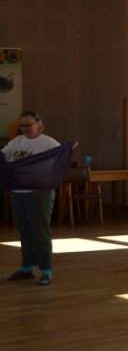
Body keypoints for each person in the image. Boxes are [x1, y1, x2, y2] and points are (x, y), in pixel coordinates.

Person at [3, 111, 60, 286]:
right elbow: (3, 157)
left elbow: (59, 161)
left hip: (39, 194)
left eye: (29, 125)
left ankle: (46, 271)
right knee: (24, 231)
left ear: (39, 125)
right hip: (18, 193)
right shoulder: (16, 142)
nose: (25, 128)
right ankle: (27, 268)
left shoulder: (48, 143)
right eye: (22, 125)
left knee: (40, 232)